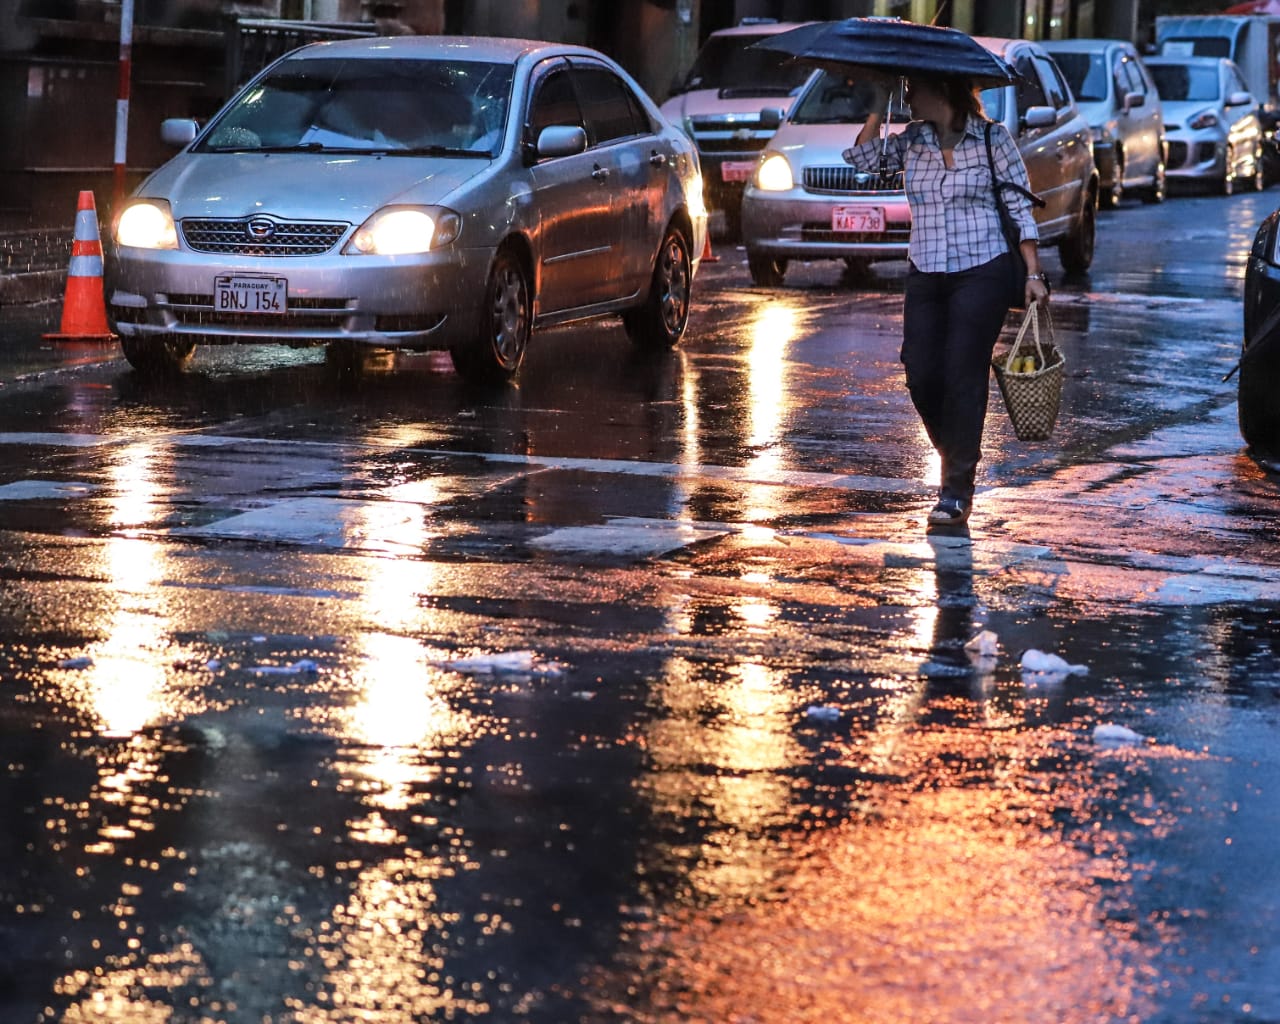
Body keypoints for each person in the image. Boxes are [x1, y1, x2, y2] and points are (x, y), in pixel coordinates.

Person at [843, 75, 1050, 527]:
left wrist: (1032, 273)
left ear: (943, 90)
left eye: (914, 88)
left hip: (983, 268)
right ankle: (954, 449)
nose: (910, 95)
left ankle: (956, 489)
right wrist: (878, 106)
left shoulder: (994, 139)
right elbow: (861, 161)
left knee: (963, 373)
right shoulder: (912, 139)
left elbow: (1019, 208)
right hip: (927, 269)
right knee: (920, 371)